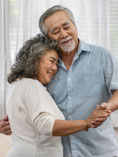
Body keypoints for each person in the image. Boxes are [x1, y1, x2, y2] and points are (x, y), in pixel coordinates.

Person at [6, 34, 110, 157]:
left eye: (57, 63)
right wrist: (87, 122)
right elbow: (46, 125)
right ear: (35, 58)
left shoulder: (16, 85)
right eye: (52, 61)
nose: (55, 68)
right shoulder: (32, 86)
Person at [39, 5, 118, 157]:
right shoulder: (45, 67)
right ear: (48, 39)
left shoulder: (102, 56)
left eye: (66, 26)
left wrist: (106, 107)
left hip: (100, 151)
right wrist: (17, 120)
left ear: (75, 25)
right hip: (60, 152)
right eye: (55, 32)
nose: (63, 34)